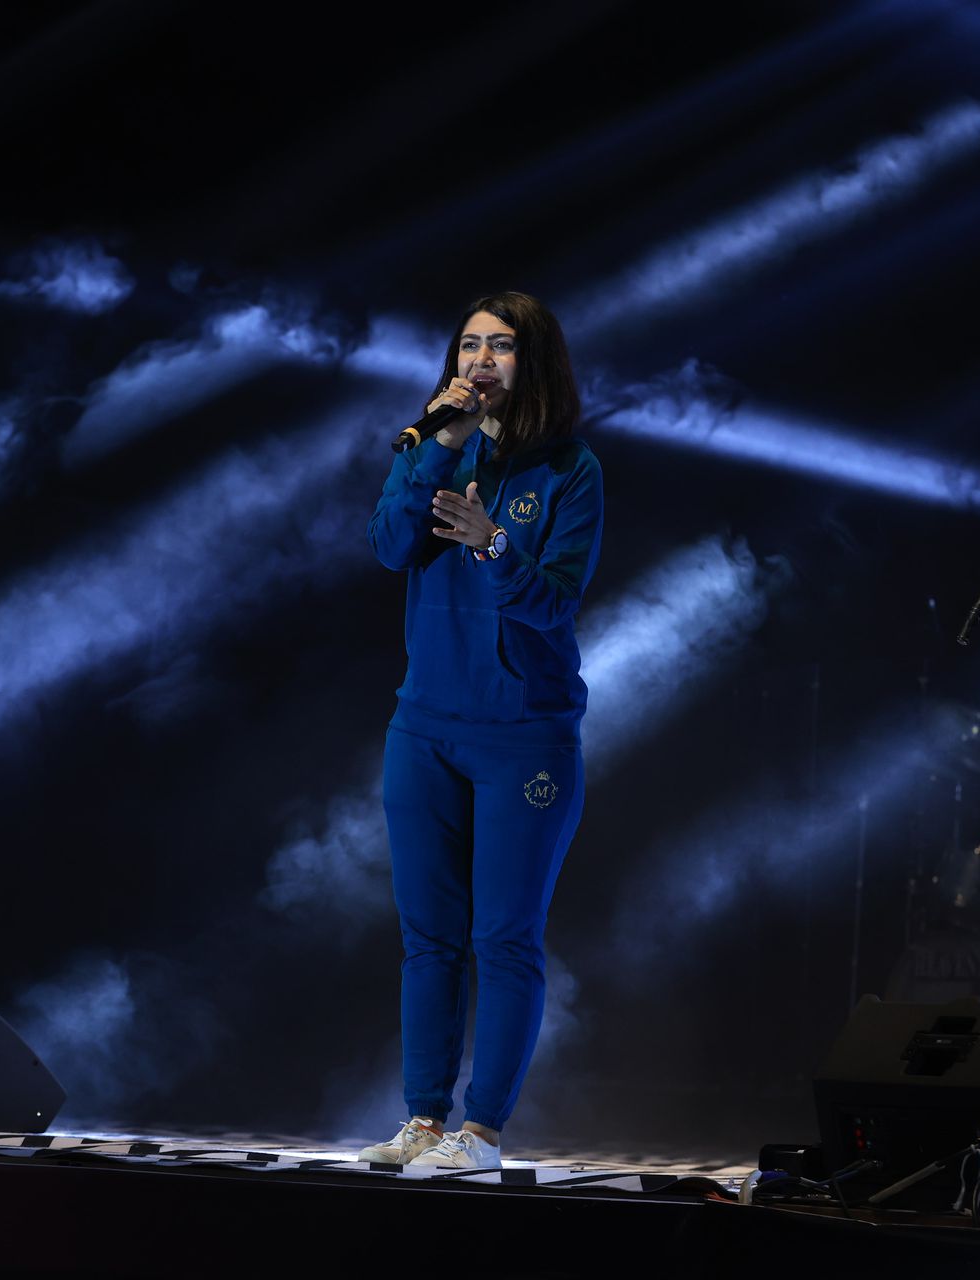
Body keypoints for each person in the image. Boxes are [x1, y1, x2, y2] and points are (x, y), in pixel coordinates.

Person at [359, 291, 603, 1171]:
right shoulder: (431, 448)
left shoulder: (571, 469)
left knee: (502, 937)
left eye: (501, 347)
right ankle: (423, 1121)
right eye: (469, 346)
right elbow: (389, 546)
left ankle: (483, 1133)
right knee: (427, 936)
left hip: (524, 734)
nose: (481, 362)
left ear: (533, 362)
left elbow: (556, 602)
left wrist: (495, 544)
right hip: (424, 725)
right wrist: (438, 448)